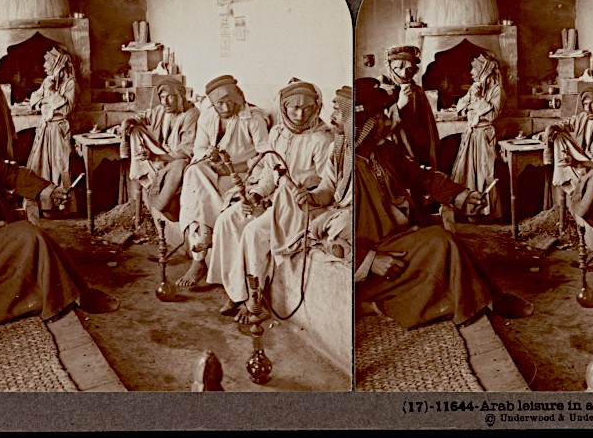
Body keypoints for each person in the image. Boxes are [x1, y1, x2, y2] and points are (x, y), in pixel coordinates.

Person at [0, 72, 118, 325]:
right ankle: (74, 297)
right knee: (32, 238)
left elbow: (6, 171)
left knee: (35, 246)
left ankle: (77, 294)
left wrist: (46, 190)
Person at [354, 78, 533, 330]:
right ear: (366, 125)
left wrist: (460, 195)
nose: (388, 119)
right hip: (374, 256)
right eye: (382, 115)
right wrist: (370, 259)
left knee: (450, 245)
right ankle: (481, 304)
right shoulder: (345, 167)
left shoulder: (384, 151)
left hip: (398, 238)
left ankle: (489, 299)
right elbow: (328, 232)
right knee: (442, 241)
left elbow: (422, 176)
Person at [206, 80, 333, 323]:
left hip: (302, 205)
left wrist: (306, 196)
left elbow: (326, 186)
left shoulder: (322, 139)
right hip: (276, 199)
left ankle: (255, 299)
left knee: (254, 232)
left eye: (306, 108)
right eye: (293, 108)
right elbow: (269, 174)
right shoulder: (278, 133)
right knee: (229, 220)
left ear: (316, 106)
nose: (299, 114)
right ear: (283, 108)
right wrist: (255, 196)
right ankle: (235, 290)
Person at [175, 75, 271, 288]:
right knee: (194, 171)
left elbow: (266, 155)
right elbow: (198, 148)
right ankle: (206, 234)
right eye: (220, 103)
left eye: (231, 101)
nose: (226, 107)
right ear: (212, 103)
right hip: (214, 172)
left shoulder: (254, 119)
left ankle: (199, 255)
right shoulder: (208, 116)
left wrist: (235, 167)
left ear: (240, 97)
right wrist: (210, 156)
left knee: (197, 192)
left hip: (242, 175)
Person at [542, 85, 593, 238]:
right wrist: (552, 128)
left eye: (592, 103)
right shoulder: (585, 117)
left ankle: (577, 191)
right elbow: (567, 123)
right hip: (581, 161)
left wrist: (580, 164)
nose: (588, 109)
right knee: (559, 136)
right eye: (585, 104)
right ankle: (572, 182)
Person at [120, 77, 200, 220]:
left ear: (181, 97)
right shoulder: (163, 110)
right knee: (135, 129)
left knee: (179, 163)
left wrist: (156, 157)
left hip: (175, 159)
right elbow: (144, 117)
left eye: (169, 97)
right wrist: (129, 121)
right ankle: (149, 174)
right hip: (160, 154)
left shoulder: (191, 115)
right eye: (162, 98)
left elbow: (187, 151)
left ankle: (154, 182)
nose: (165, 102)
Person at [298, 85, 354, 262]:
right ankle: (333, 243)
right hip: (339, 209)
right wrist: (311, 196)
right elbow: (329, 186)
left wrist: (332, 215)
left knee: (341, 224)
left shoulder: (372, 152)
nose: (331, 118)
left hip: (359, 214)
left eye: (338, 112)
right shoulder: (336, 147)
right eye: (333, 110)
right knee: (297, 217)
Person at [450, 53, 504, 220]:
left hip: (484, 137)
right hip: (471, 135)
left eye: (475, 69)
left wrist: (478, 100)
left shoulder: (498, 90)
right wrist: (472, 102)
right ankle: (467, 211)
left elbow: (492, 115)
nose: (472, 72)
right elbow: (460, 105)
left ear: (484, 71)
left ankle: (487, 213)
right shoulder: (475, 87)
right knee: (465, 172)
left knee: (484, 172)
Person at [26, 47, 78, 212]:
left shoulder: (71, 84)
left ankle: (62, 208)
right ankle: (44, 206)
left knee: (59, 166)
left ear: (58, 64)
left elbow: (66, 109)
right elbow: (34, 99)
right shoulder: (48, 80)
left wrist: (52, 94)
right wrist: (46, 98)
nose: (44, 66)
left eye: (47, 62)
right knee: (40, 166)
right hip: (45, 129)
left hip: (59, 130)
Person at [379, 45, 439, 171]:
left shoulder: (417, 91)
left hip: (420, 149)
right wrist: (399, 106)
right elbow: (379, 128)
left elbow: (429, 126)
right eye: (398, 68)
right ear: (390, 67)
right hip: (396, 147)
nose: (404, 73)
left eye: (409, 69)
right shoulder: (381, 91)